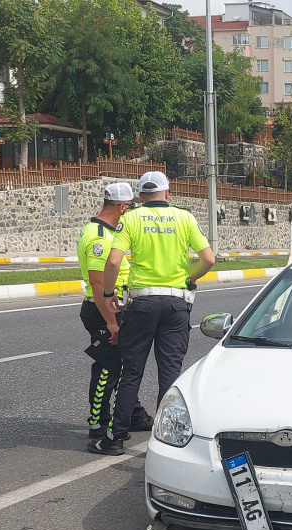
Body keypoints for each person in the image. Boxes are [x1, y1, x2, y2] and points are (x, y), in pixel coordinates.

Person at [89, 171, 216, 455]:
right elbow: (208, 258)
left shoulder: (131, 218)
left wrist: (109, 295)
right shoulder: (184, 217)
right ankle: (166, 442)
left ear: (141, 197)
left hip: (142, 303)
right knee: (170, 374)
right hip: (176, 304)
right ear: (167, 194)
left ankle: (115, 440)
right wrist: (188, 279)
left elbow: (112, 262)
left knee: (132, 372)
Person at [78, 182, 152, 441]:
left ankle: (132, 414)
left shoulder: (108, 231)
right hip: (103, 309)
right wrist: (111, 321)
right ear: (122, 207)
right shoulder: (100, 236)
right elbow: (98, 284)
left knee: (122, 366)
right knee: (108, 367)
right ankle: (98, 422)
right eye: (130, 207)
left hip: (114, 306)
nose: (132, 212)